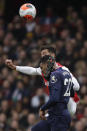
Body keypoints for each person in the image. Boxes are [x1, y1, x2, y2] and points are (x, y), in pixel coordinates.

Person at [5, 46, 80, 131]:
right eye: (41, 54)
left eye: (44, 53)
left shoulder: (63, 70)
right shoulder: (45, 70)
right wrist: (16, 67)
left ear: (53, 55)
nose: (42, 56)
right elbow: (32, 70)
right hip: (56, 109)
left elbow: (77, 86)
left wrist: (65, 83)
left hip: (69, 104)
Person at [38, 55, 72, 131]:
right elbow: (71, 92)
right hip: (62, 113)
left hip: (58, 116)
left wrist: (42, 108)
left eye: (42, 67)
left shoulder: (55, 75)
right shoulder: (66, 73)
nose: (42, 71)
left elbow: (54, 98)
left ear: (47, 64)